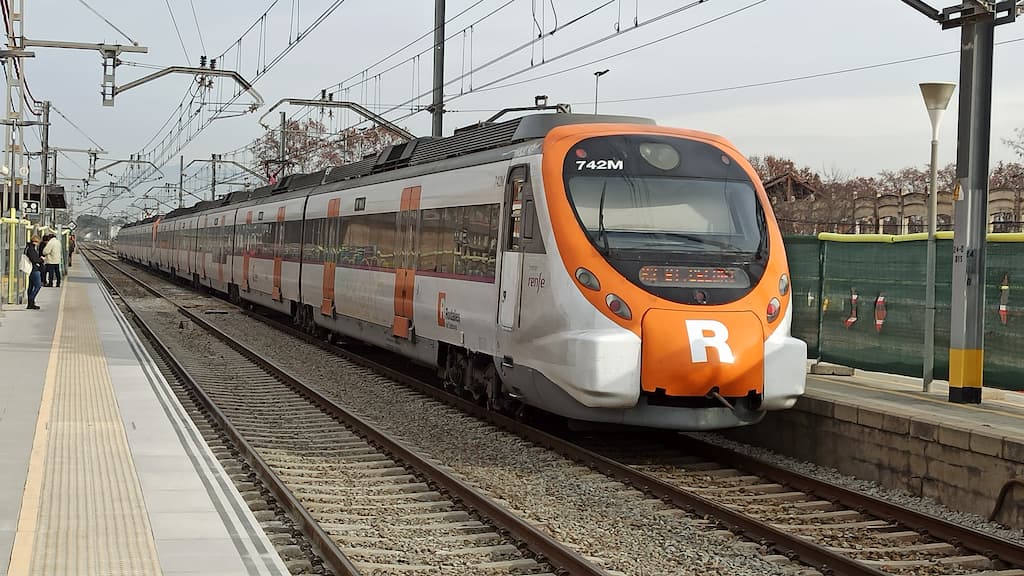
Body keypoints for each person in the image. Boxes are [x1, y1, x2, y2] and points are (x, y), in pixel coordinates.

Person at [24, 235, 44, 309]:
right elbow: (34, 260)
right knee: (38, 286)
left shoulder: (28, 247)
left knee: (31, 286)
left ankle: (30, 304)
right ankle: (31, 300)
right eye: (38, 242)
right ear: (35, 241)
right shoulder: (31, 249)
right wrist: (41, 259)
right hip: (34, 269)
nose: (38, 244)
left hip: (31, 269)